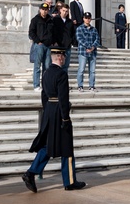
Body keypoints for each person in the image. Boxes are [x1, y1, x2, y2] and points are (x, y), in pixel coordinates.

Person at [22, 47, 86, 193]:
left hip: (49, 110)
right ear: (60, 57)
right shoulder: (61, 74)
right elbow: (64, 98)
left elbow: (44, 95)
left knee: (47, 145)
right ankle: (69, 181)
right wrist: (65, 118)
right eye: (63, 56)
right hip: (58, 111)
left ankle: (31, 173)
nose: (64, 58)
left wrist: (47, 111)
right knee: (67, 147)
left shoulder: (46, 73)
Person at [28, 3, 54, 91]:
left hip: (48, 46)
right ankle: (36, 85)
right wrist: (37, 41)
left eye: (46, 10)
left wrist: (52, 42)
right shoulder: (35, 19)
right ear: (40, 10)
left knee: (47, 66)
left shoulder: (50, 19)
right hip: (39, 45)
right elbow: (31, 32)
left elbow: (53, 32)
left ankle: (45, 85)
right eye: (43, 9)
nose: (45, 11)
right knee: (37, 66)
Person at [75, 12, 101, 92]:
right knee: (81, 69)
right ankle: (80, 85)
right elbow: (80, 39)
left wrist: (93, 47)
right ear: (83, 18)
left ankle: (92, 85)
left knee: (92, 71)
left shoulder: (94, 29)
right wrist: (89, 47)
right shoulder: (79, 28)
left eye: (89, 18)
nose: (87, 19)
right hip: (83, 52)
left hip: (93, 52)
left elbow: (97, 39)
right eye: (86, 18)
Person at [53, 2, 74, 72]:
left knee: (65, 65)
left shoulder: (70, 22)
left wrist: (71, 41)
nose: (65, 13)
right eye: (63, 11)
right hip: (57, 46)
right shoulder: (55, 20)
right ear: (60, 10)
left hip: (67, 46)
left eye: (66, 11)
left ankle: (64, 81)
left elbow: (73, 33)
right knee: (57, 65)